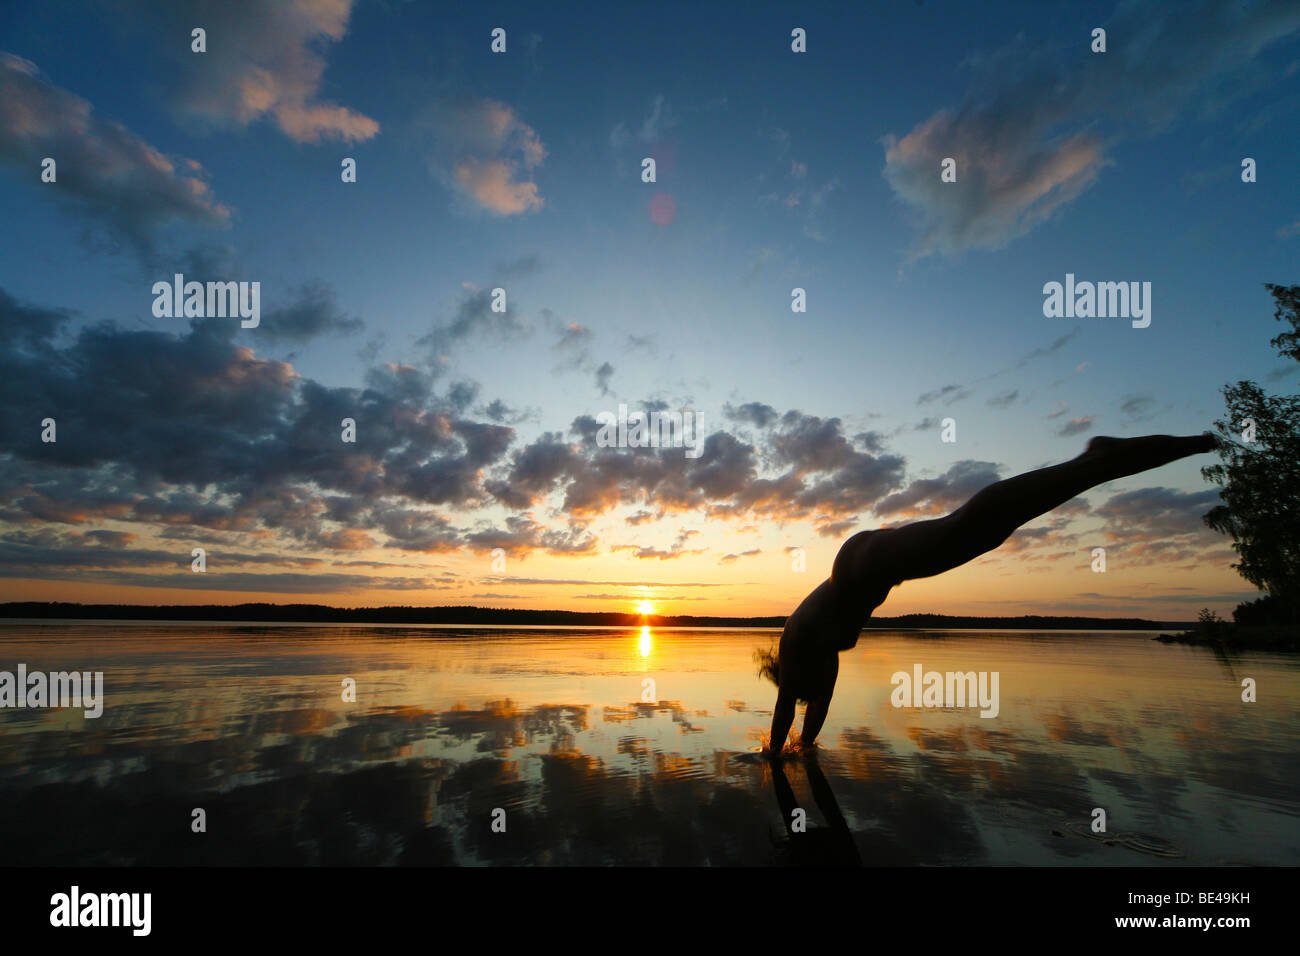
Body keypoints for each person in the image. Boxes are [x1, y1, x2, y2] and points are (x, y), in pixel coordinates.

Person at [762, 432, 1219, 756]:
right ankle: (1108, 463)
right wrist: (802, 749)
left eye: (802, 692)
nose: (817, 695)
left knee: (972, 528)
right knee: (981, 532)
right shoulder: (821, 658)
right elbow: (816, 708)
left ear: (789, 677)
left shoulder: (797, 647)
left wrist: (773, 757)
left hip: (861, 568)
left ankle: (1095, 462)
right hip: (871, 568)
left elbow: (790, 709)